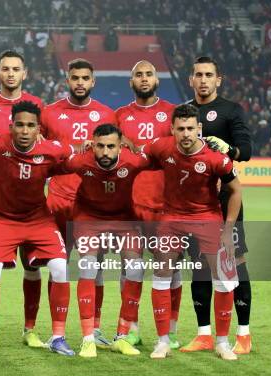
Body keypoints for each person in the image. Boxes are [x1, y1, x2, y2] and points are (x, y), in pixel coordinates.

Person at [0, 101, 74, 357]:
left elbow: (74, 151)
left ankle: (58, 337)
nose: (25, 131)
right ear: (10, 126)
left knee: (61, 267)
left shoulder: (50, 149)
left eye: (30, 126)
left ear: (39, 129)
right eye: (20, 125)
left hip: (39, 220)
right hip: (2, 220)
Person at [143, 104, 241, 361]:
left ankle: (222, 342)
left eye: (190, 128)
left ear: (199, 129)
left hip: (207, 218)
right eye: (180, 129)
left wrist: (229, 228)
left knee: (223, 279)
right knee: (162, 274)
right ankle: (163, 341)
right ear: (172, 130)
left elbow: (236, 192)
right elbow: (137, 157)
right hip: (171, 218)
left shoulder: (215, 158)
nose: (186, 134)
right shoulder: (161, 147)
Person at [0, 50, 46, 348]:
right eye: (6, 69)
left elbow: (52, 144)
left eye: (16, 69)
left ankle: (30, 329)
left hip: (30, 194)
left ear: (25, 73)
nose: (11, 73)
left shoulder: (38, 106)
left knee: (34, 262)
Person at [53, 124, 148, 357]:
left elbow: (156, 158)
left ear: (120, 146)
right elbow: (53, 163)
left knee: (136, 268)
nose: (105, 152)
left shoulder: (133, 162)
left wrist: (136, 147)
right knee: (88, 266)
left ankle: (123, 336)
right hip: (88, 218)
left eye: (111, 147)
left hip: (123, 220)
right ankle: (88, 338)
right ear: (92, 145)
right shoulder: (80, 162)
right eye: (100, 146)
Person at [40, 58, 116, 348]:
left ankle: (94, 328)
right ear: (67, 80)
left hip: (93, 204)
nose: (80, 82)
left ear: (93, 81)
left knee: (95, 267)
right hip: (58, 200)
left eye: (85, 78)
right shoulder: (49, 114)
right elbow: (41, 151)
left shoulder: (107, 114)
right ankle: (56, 332)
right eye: (75, 78)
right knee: (58, 267)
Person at [184, 56, 253, 355]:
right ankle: (203, 334)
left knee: (235, 264)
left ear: (218, 80)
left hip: (226, 202)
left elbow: (246, 150)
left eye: (208, 75)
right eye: (198, 75)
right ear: (191, 79)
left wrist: (230, 149)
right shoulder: (185, 113)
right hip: (195, 204)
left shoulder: (230, 110)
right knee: (200, 266)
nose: (203, 80)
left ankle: (244, 334)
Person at [114, 60, 177, 347]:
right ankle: (131, 327)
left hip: (166, 205)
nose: (143, 78)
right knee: (131, 266)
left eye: (148, 74)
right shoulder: (119, 115)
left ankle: (171, 330)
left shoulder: (173, 114)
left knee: (171, 267)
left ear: (157, 79)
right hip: (130, 205)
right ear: (130, 81)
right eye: (138, 74)